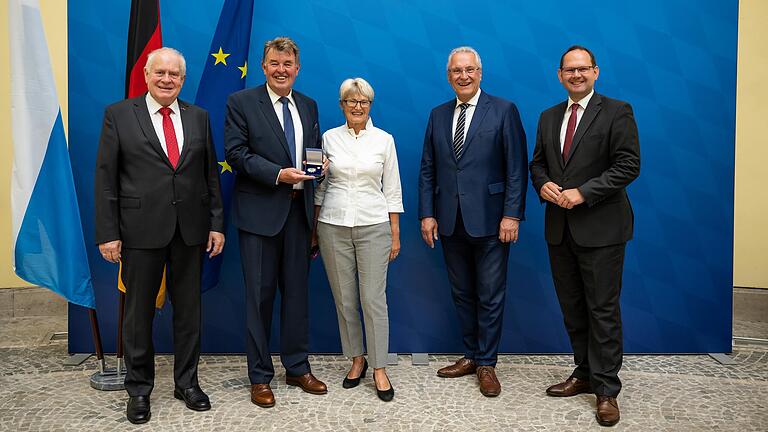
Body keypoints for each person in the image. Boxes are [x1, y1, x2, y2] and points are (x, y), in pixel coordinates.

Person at [94, 47, 225, 425]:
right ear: (147, 75)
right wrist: (108, 233)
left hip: (190, 231)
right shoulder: (118, 115)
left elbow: (209, 177)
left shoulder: (198, 117)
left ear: (183, 80)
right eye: (160, 73)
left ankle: (187, 383)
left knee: (188, 313)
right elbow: (106, 179)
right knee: (138, 317)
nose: (167, 79)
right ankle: (138, 390)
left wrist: (215, 224)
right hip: (138, 232)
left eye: (175, 74)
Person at [529, 45, 640, 427]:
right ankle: (584, 372)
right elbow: (538, 163)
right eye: (569, 70)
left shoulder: (616, 111)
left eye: (583, 69)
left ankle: (607, 389)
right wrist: (542, 184)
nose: (576, 75)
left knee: (602, 310)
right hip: (559, 230)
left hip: (602, 229)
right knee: (573, 308)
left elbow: (629, 165)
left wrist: (584, 192)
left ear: (595, 72)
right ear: (559, 75)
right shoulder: (548, 116)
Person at [418, 46, 528, 397]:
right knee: (463, 293)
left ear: (480, 73)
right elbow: (427, 169)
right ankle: (469, 354)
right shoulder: (437, 114)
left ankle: (486, 363)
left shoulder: (504, 110)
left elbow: (516, 169)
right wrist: (427, 213)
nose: (463, 76)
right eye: (456, 71)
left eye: (469, 70)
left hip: (494, 222)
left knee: (490, 295)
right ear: (448, 76)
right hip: (450, 222)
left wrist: (512, 214)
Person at [224, 36, 327, 408]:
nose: (281, 69)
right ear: (263, 66)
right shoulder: (241, 102)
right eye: (274, 63)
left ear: (297, 69)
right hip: (260, 216)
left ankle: (297, 368)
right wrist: (278, 174)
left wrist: (320, 166)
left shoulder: (309, 105)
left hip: (300, 217)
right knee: (259, 299)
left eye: (288, 64)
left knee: (297, 298)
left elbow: (310, 152)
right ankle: (260, 376)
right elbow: (235, 153)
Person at [314, 78, 403, 402]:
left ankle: (379, 367)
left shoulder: (384, 140)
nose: (357, 106)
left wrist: (394, 234)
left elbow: (392, 189)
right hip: (332, 226)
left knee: (372, 300)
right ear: (342, 105)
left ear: (370, 105)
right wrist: (313, 227)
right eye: (351, 101)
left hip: (374, 226)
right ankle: (357, 360)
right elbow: (321, 186)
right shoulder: (329, 138)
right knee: (346, 300)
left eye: (363, 101)